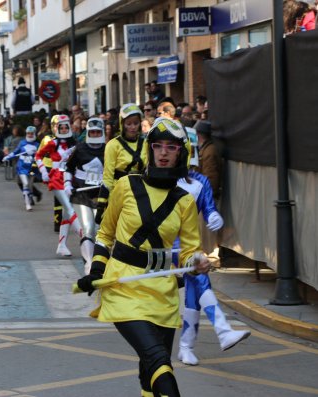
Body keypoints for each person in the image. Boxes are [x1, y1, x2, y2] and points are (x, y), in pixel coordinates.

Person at [76, 117, 212, 397]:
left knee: (150, 367)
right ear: (150, 150)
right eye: (158, 146)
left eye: (171, 147)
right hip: (124, 286)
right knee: (159, 361)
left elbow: (188, 251)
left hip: (162, 292)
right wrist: (97, 272)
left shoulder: (185, 201)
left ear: (181, 153)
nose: (163, 152)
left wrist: (197, 262)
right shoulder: (125, 186)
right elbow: (105, 234)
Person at [175, 145, 250, 366]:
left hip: (187, 246)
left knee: (195, 291)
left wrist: (214, 216)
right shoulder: (159, 179)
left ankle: (186, 346)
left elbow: (208, 208)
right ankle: (221, 330)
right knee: (199, 277)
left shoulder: (200, 181)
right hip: (162, 246)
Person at [36, 115, 85, 259]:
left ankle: (62, 245)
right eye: (60, 127)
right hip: (56, 179)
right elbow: (38, 156)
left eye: (66, 127)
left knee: (66, 212)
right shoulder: (52, 143)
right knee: (70, 209)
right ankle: (85, 238)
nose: (63, 129)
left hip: (69, 178)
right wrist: (43, 171)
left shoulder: (74, 144)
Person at [64, 117, 105, 274]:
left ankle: (98, 261)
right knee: (87, 229)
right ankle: (88, 264)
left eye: (97, 132)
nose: (95, 134)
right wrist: (67, 184)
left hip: (102, 196)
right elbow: (68, 168)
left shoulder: (110, 149)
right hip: (82, 195)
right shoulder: (79, 149)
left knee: (100, 230)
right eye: (92, 132)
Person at [96, 104, 147, 224]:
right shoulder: (113, 145)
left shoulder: (146, 143)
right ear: (122, 124)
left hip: (140, 191)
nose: (133, 127)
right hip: (118, 192)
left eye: (136, 123)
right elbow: (108, 176)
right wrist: (101, 205)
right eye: (128, 124)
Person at [3, 126, 40, 211]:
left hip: (32, 167)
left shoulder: (37, 145)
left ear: (34, 134)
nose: (30, 135)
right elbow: (15, 152)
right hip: (22, 166)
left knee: (30, 184)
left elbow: (40, 156)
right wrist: (7, 157)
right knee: (25, 183)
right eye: (28, 133)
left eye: (31, 133)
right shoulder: (22, 143)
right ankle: (27, 203)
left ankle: (30, 195)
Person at [193, 120, 222, 199]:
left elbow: (210, 178)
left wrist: (205, 198)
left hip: (206, 197)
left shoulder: (209, 151)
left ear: (198, 135)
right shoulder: (205, 149)